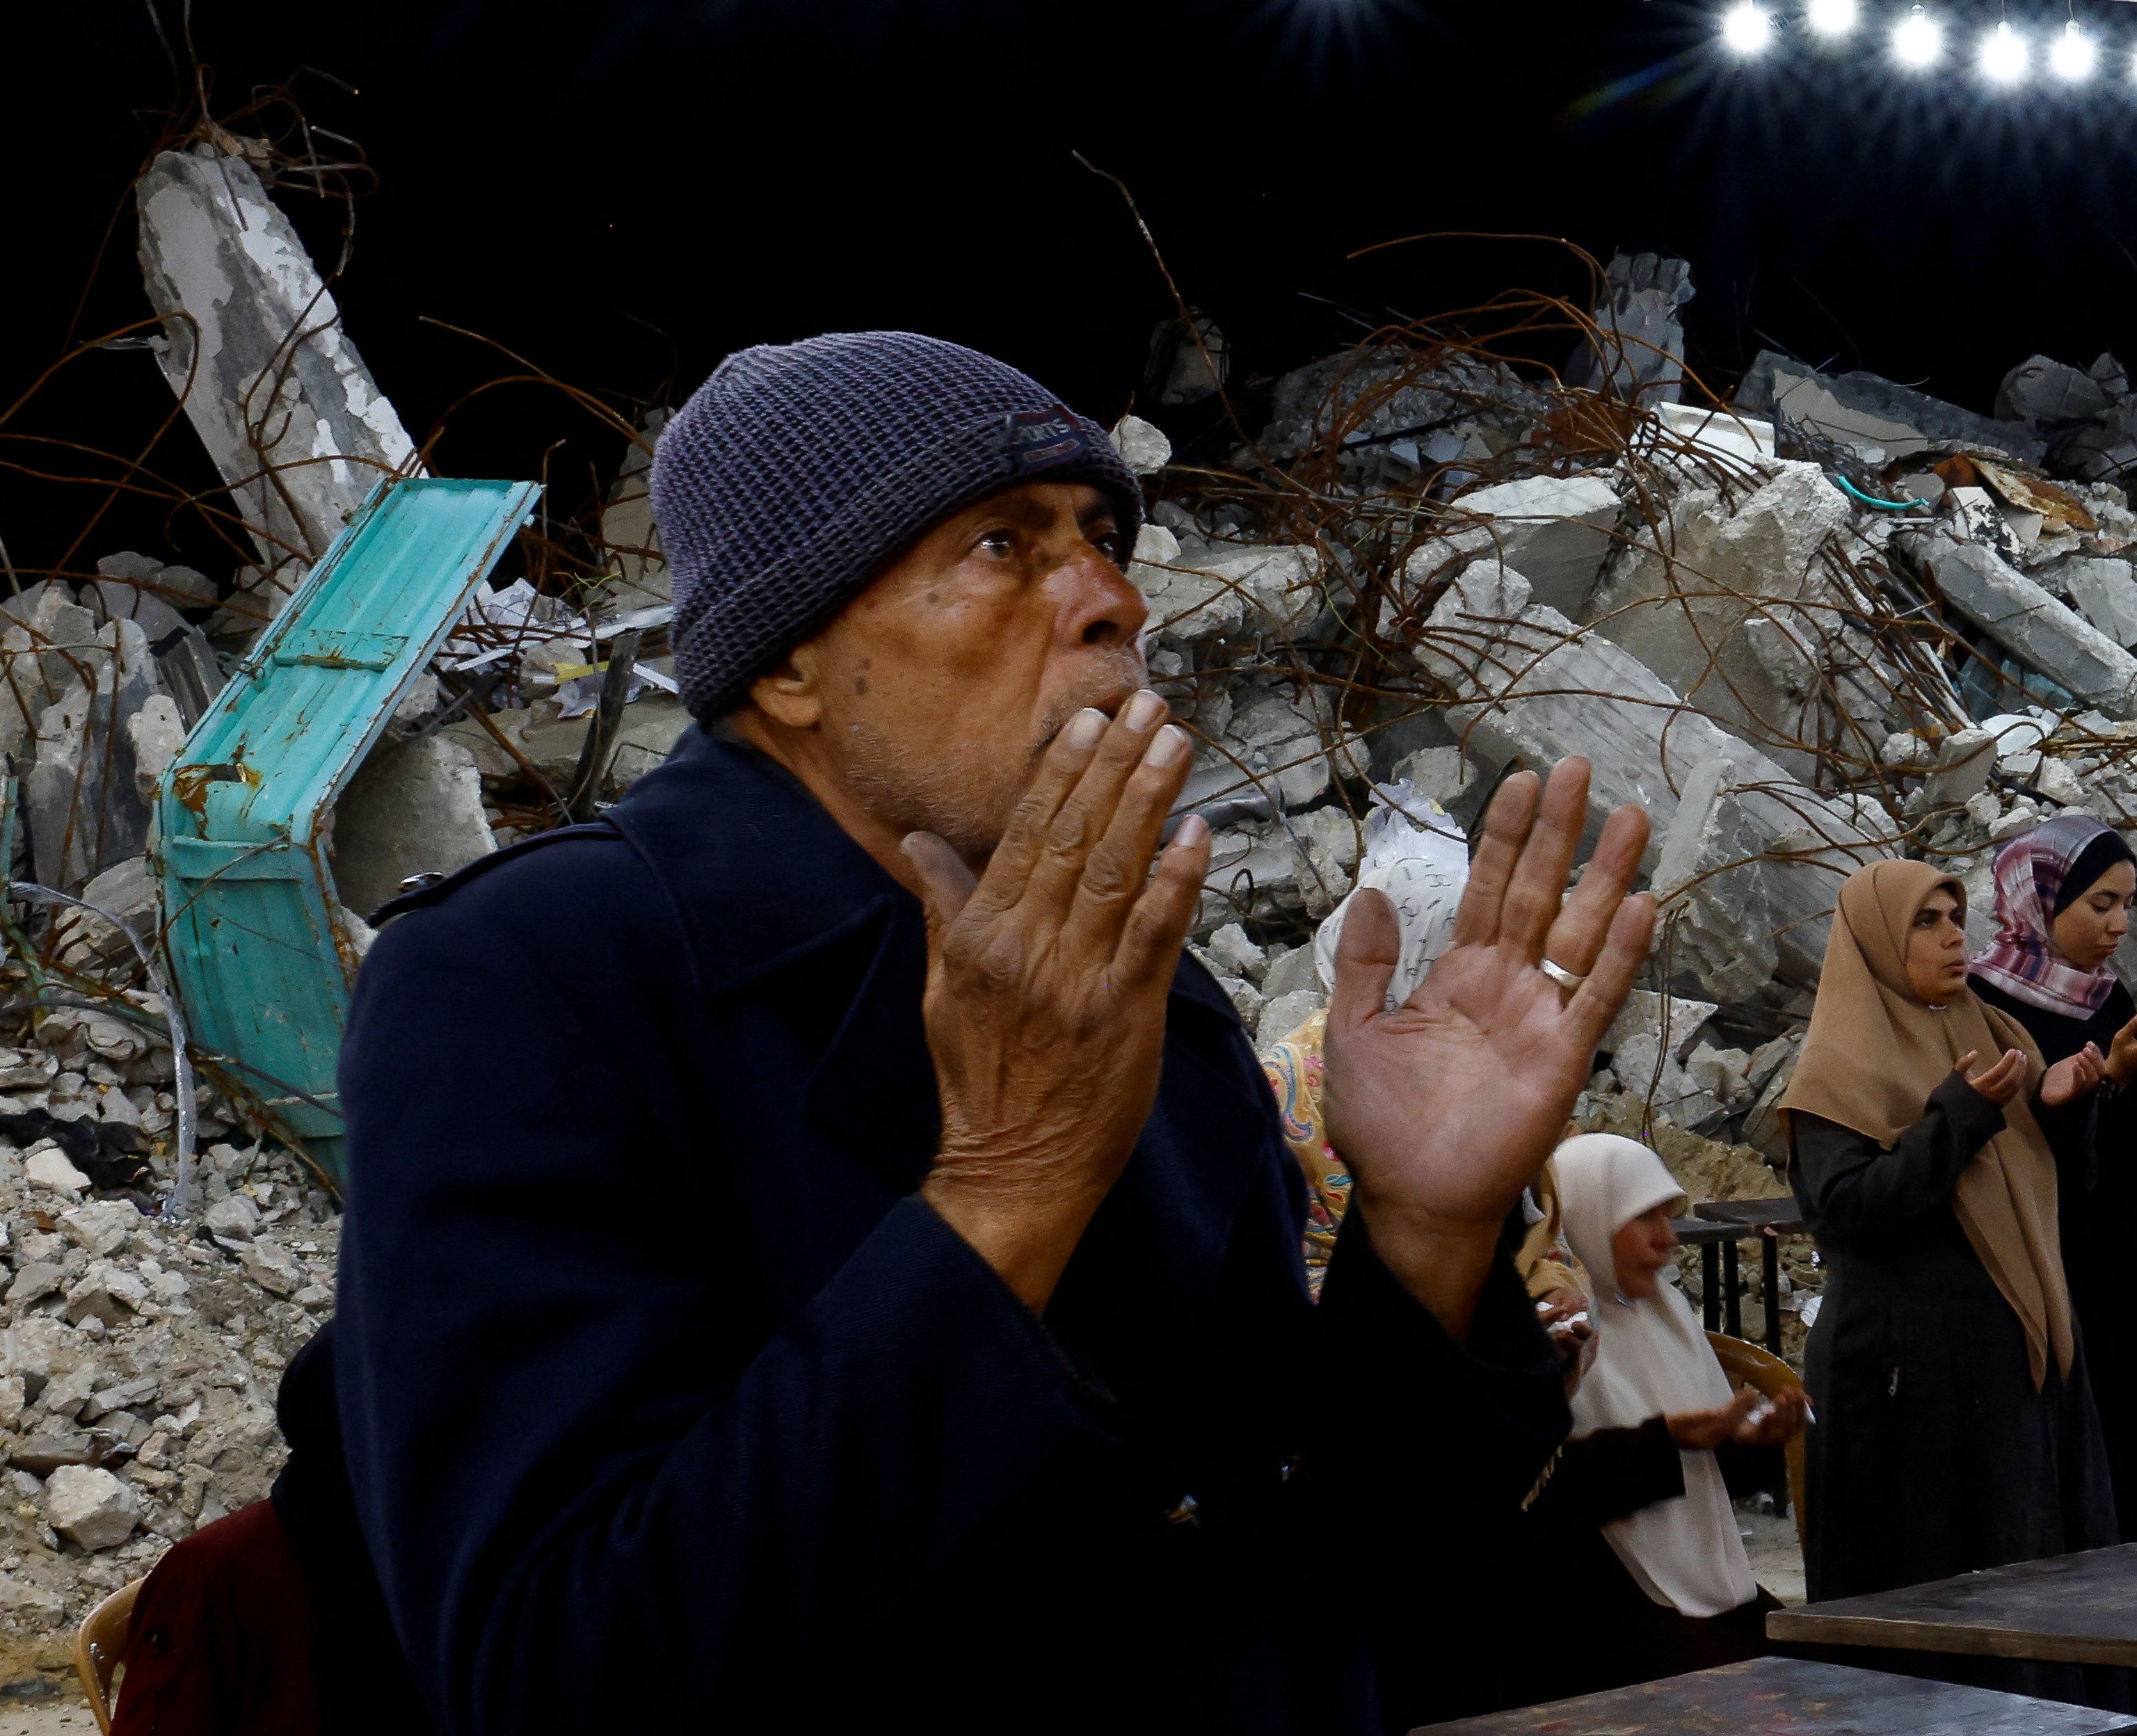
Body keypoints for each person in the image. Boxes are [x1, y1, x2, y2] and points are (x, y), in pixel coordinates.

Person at [323, 332, 1663, 1735]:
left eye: (1100, 539)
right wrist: (1005, 1193)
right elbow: (556, 1671)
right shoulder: (534, 978)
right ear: (790, 662)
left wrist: (1429, 1239)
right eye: (1002, 545)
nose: (1113, 599)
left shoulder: (1157, 997)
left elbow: (1341, 1558)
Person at [1779, 858, 2115, 1705]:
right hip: (1905, 1395)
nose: (1953, 936)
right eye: (1926, 922)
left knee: (2028, 1602)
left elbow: (2061, 1191)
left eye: (1956, 916)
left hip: (2013, 1380)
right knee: (1930, 1628)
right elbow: (1848, 1212)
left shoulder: (1999, 1035)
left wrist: (2067, 1109)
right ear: (1878, 942)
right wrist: (1956, 1120)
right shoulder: (1837, 1068)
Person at [1966, 819, 2137, 1736]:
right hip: (2061, 1296)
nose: (2120, 924)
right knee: (2095, 1523)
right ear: (2038, 903)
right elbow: (2021, 1164)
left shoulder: (2102, 995)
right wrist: (2095, 1087)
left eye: (2127, 903)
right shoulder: (1985, 1009)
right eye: (2100, 903)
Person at [1500, 1133, 1804, 1704]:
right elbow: (1549, 1499)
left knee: (1816, 1665)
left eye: (1670, 1217)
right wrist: (1667, 1443)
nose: (1667, 1241)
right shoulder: (1550, 1331)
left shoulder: (1667, 1317)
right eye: (1645, 1220)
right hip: (1592, 1600)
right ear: (1589, 1217)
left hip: (1692, 1588)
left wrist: (1753, 1445)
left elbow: (1705, 1489)